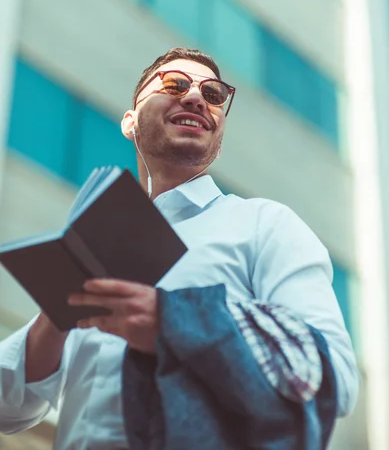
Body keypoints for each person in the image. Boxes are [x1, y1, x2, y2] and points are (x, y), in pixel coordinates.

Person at [0, 47, 358, 449]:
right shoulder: (95, 245)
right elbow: (6, 407)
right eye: (174, 84)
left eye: (214, 94)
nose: (196, 98)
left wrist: (176, 325)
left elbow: (335, 378)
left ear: (218, 140)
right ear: (130, 121)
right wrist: (58, 314)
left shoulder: (265, 224)